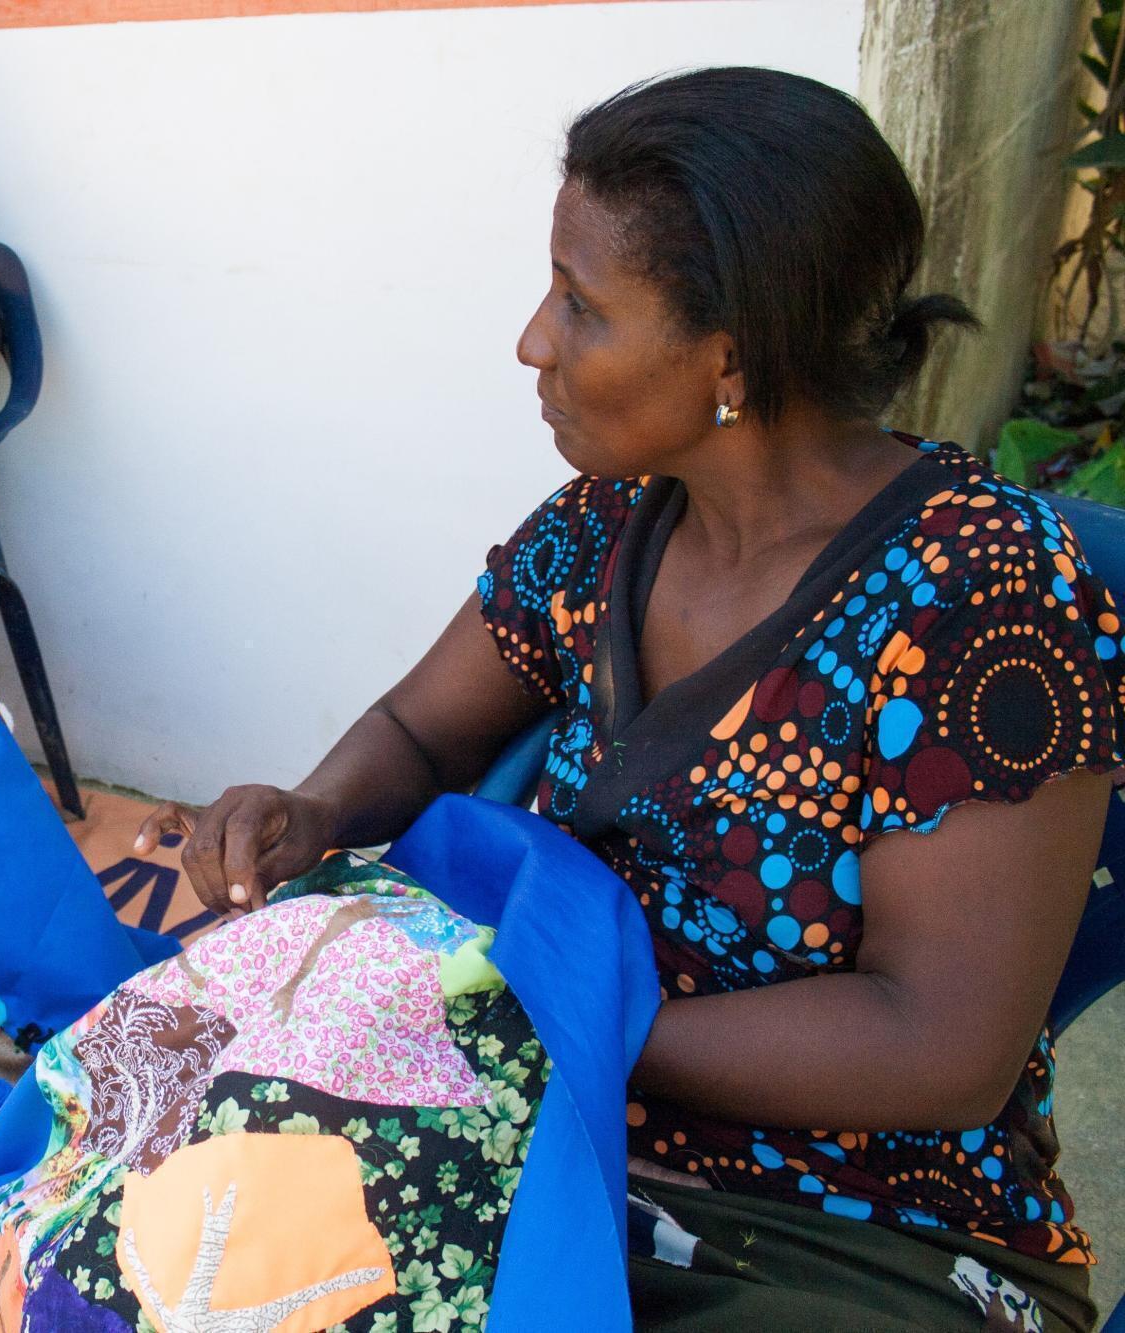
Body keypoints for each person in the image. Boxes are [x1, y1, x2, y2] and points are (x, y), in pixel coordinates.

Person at [141, 68, 1115, 1331]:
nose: (532, 340)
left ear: (732, 353)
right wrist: (312, 809)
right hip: (553, 1128)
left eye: (579, 304)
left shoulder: (978, 601)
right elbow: (418, 730)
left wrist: (562, 1017)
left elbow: (938, 1047)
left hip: (854, 1230)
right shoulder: (606, 521)